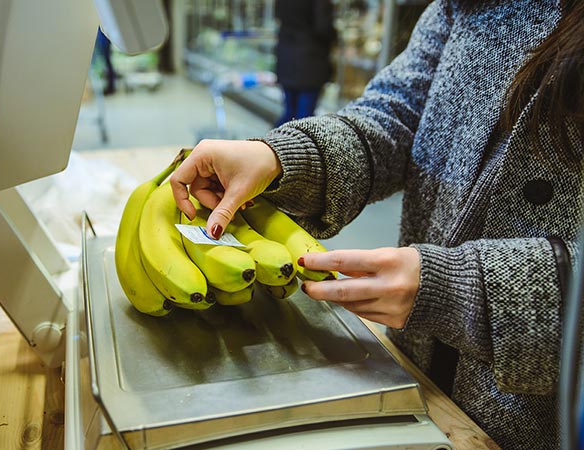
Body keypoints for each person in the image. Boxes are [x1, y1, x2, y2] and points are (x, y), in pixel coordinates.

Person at [169, 0, 584, 448]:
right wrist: (282, 158)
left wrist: (471, 291)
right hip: (420, 373)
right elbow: (397, 116)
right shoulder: (462, 6)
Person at [273, 0, 336, 127]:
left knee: (290, 112)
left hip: (287, 58)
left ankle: (271, 143)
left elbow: (279, 17)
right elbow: (323, 27)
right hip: (310, 63)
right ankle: (275, 144)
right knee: (304, 120)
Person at [95, 28, 116, 95]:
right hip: (103, 44)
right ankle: (109, 87)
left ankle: (110, 87)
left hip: (104, 44)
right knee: (107, 65)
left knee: (108, 65)